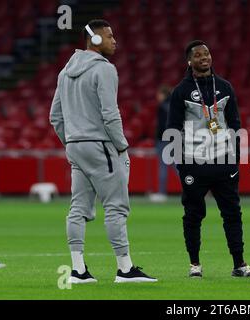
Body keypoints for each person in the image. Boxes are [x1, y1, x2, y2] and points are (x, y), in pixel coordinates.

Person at [50, 19, 157, 284]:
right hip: (101, 145)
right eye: (109, 36)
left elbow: (55, 116)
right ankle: (125, 269)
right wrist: (121, 145)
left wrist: (72, 142)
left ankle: (77, 271)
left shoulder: (64, 72)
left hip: (76, 146)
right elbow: (110, 114)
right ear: (95, 40)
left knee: (77, 208)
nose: (114, 41)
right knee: (116, 207)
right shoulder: (105, 70)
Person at [166, 40, 250, 278]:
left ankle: (239, 264)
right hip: (193, 162)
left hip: (223, 161)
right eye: (198, 55)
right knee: (194, 214)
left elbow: (235, 123)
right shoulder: (181, 91)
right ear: (190, 61)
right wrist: (181, 165)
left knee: (232, 214)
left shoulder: (225, 87)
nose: (204, 57)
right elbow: (173, 128)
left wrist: (235, 157)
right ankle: (194, 264)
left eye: (206, 53)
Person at [150, 85, 172, 203]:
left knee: (162, 166)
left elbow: (161, 125)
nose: (157, 97)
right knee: (177, 167)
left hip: (163, 140)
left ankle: (162, 193)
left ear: (163, 94)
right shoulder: (174, 105)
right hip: (174, 139)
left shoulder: (162, 107)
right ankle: (193, 188)